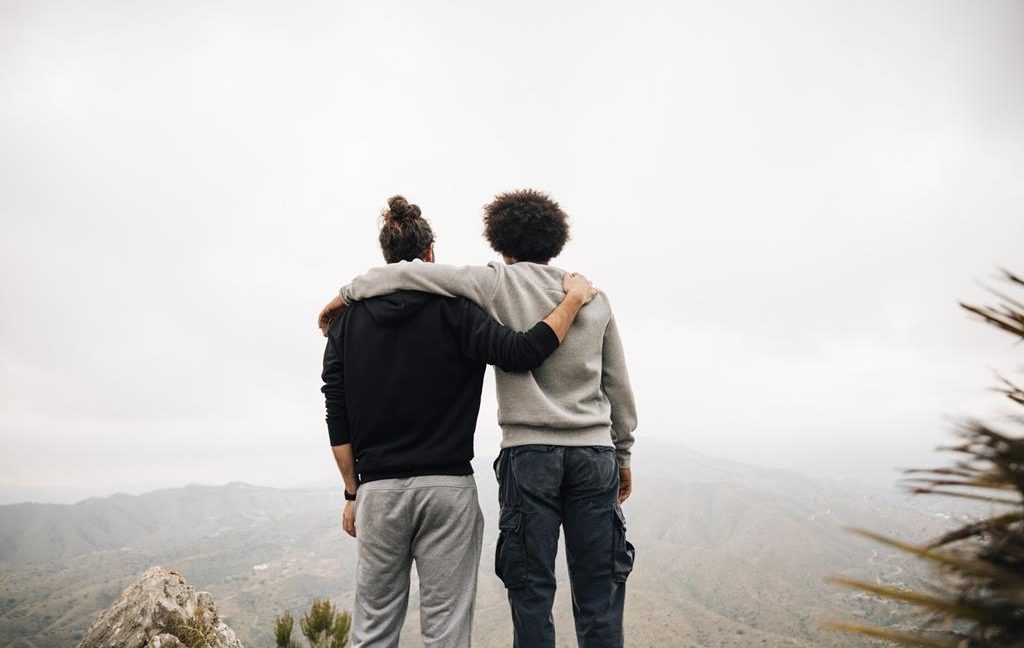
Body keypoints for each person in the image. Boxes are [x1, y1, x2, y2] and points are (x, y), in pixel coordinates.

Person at [318, 189, 638, 648]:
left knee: (529, 596)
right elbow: (613, 387)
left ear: (500, 243)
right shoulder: (592, 297)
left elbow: (409, 279)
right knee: (598, 596)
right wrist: (622, 454)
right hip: (577, 457)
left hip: (515, 459)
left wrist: (348, 294)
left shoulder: (491, 284)